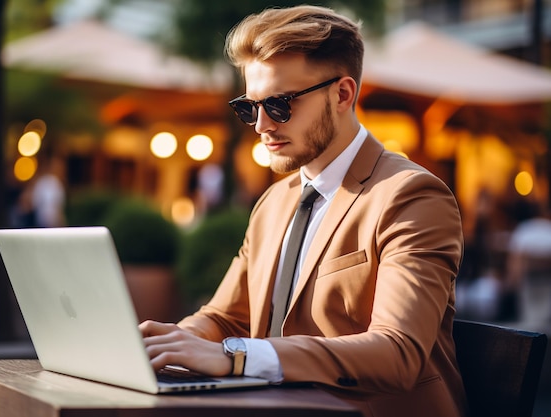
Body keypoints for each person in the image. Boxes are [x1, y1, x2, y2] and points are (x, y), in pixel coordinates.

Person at [140, 5, 467, 417]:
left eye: (278, 104)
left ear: (343, 94)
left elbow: (397, 352)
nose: (260, 125)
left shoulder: (411, 197)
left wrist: (235, 357)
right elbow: (223, 319)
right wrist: (166, 347)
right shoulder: (274, 204)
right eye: (248, 107)